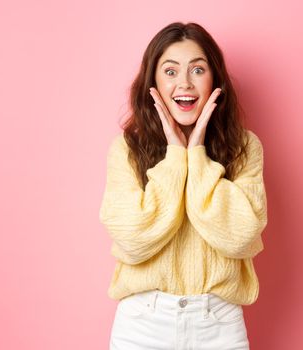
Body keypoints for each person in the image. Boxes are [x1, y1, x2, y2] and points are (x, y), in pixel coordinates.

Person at [99, 21, 268, 350]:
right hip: (142, 325)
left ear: (215, 79)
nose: (185, 84)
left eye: (198, 69)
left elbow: (241, 237)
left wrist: (198, 155)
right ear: (154, 83)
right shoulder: (127, 149)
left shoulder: (246, 148)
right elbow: (133, 238)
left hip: (218, 324)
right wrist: (177, 156)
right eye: (171, 71)